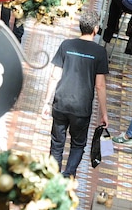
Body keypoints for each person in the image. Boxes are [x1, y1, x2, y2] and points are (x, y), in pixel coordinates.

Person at [45, 10, 109, 178]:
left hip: (60, 102)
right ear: (96, 29)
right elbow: (100, 86)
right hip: (81, 108)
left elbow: (54, 75)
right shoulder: (100, 52)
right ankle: (68, 175)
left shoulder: (66, 45)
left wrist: (46, 102)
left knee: (57, 143)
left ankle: (53, 177)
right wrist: (104, 113)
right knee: (78, 144)